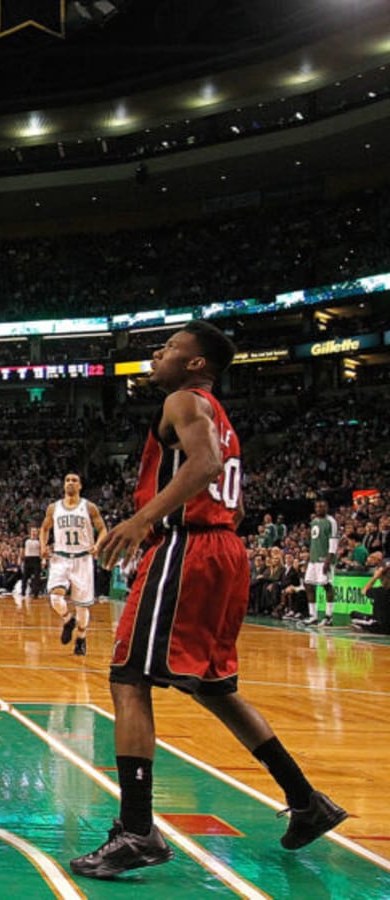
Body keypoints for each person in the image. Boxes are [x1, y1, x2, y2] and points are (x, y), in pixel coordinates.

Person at [71, 322, 345, 880]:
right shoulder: (219, 415)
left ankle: (137, 831)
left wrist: (143, 520)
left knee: (128, 677)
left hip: (187, 550)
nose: (158, 352)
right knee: (217, 688)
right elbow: (233, 498)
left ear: (197, 365)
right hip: (224, 551)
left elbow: (205, 466)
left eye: (170, 347)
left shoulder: (182, 400)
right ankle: (307, 801)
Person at [39, 473, 107, 657]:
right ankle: (68, 620)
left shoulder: (89, 507)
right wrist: (43, 546)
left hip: (83, 559)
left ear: (80, 486)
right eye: (67, 480)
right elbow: (44, 528)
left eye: (74, 480)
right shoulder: (54, 508)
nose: (70, 483)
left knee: (82, 607)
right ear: (63, 485)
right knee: (55, 598)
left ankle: (81, 638)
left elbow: (102, 529)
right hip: (60, 557)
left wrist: (98, 544)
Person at [302, 499, 338, 627]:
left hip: (324, 559)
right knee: (308, 585)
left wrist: (329, 559)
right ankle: (313, 616)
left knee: (327, 585)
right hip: (313, 559)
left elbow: (334, 541)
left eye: (322, 506)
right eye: (317, 507)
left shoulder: (331, 521)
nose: (319, 509)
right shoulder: (314, 522)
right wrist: (309, 558)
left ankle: (329, 616)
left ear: (327, 507)